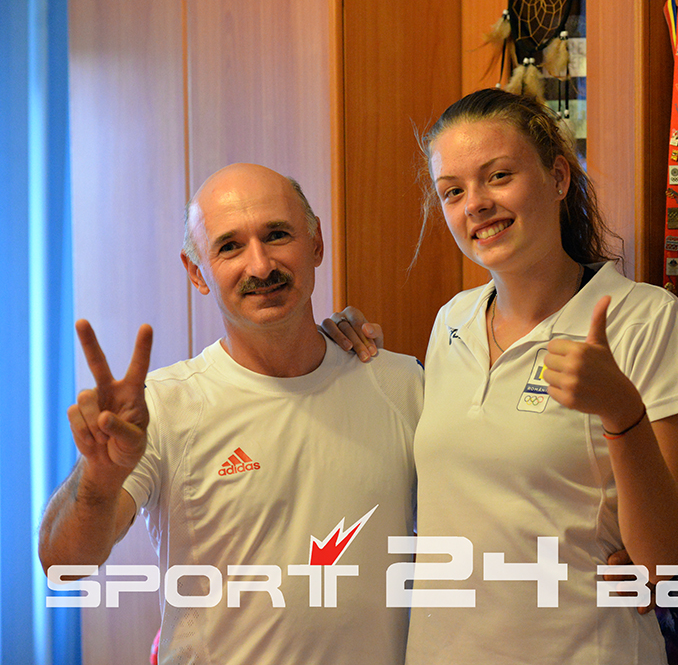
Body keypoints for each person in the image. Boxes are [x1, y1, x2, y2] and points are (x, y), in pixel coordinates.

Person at [328, 88, 678, 663]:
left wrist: (621, 411)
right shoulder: (452, 320)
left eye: (498, 176)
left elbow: (659, 564)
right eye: (453, 191)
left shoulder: (646, 319)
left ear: (558, 178)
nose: (476, 204)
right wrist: (335, 353)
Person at [38, 163, 423, 665]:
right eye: (230, 246)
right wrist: (99, 477)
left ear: (316, 244)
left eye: (277, 235)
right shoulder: (164, 408)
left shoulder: (401, 385)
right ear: (197, 272)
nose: (261, 266)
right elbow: (64, 566)